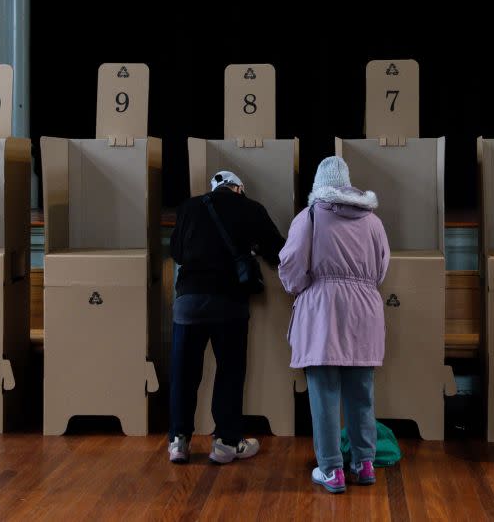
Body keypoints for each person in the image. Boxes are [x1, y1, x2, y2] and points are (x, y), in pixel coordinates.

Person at [278, 156, 390, 494]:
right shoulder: (373, 221)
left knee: (324, 395)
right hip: (365, 311)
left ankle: (331, 470)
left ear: (318, 185)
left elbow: (292, 265)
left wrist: (305, 286)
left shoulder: (310, 216)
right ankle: (364, 462)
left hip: (323, 311)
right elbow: (382, 269)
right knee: (362, 394)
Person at [167, 170, 285, 464]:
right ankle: (226, 443)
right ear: (238, 189)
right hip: (229, 303)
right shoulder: (251, 208)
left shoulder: (189, 207)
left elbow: (177, 252)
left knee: (184, 374)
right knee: (229, 372)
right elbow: (278, 250)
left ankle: (178, 442)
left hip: (189, 302)